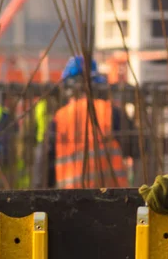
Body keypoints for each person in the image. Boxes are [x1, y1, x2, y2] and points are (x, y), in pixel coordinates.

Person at [47, 56, 131, 189]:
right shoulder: (110, 111)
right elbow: (137, 148)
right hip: (112, 198)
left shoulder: (59, 117)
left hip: (68, 199)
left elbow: (46, 163)